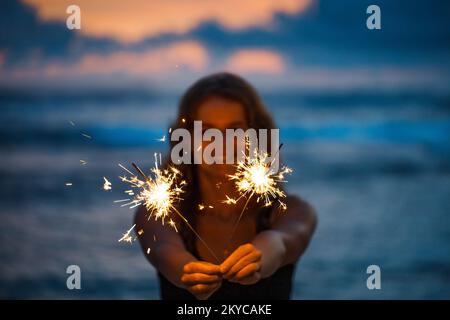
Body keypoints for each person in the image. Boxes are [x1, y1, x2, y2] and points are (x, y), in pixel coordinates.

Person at [135, 72, 317, 300]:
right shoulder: (158, 214)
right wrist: (186, 271)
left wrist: (263, 254)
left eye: (236, 130)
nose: (221, 142)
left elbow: (284, 240)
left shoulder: (292, 211)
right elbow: (164, 251)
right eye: (207, 130)